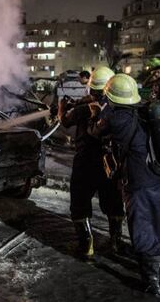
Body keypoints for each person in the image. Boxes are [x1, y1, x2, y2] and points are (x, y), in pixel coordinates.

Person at [89, 73, 160, 296]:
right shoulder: (144, 111)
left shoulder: (116, 118)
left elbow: (95, 131)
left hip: (137, 183)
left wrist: (98, 111)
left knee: (143, 230)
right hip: (156, 175)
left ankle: (153, 281)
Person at [58, 66, 124, 259]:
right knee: (113, 201)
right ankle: (116, 243)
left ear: (91, 87)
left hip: (85, 162)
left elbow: (65, 121)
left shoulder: (83, 110)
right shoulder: (115, 108)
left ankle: (86, 246)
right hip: (109, 162)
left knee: (79, 202)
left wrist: (62, 106)